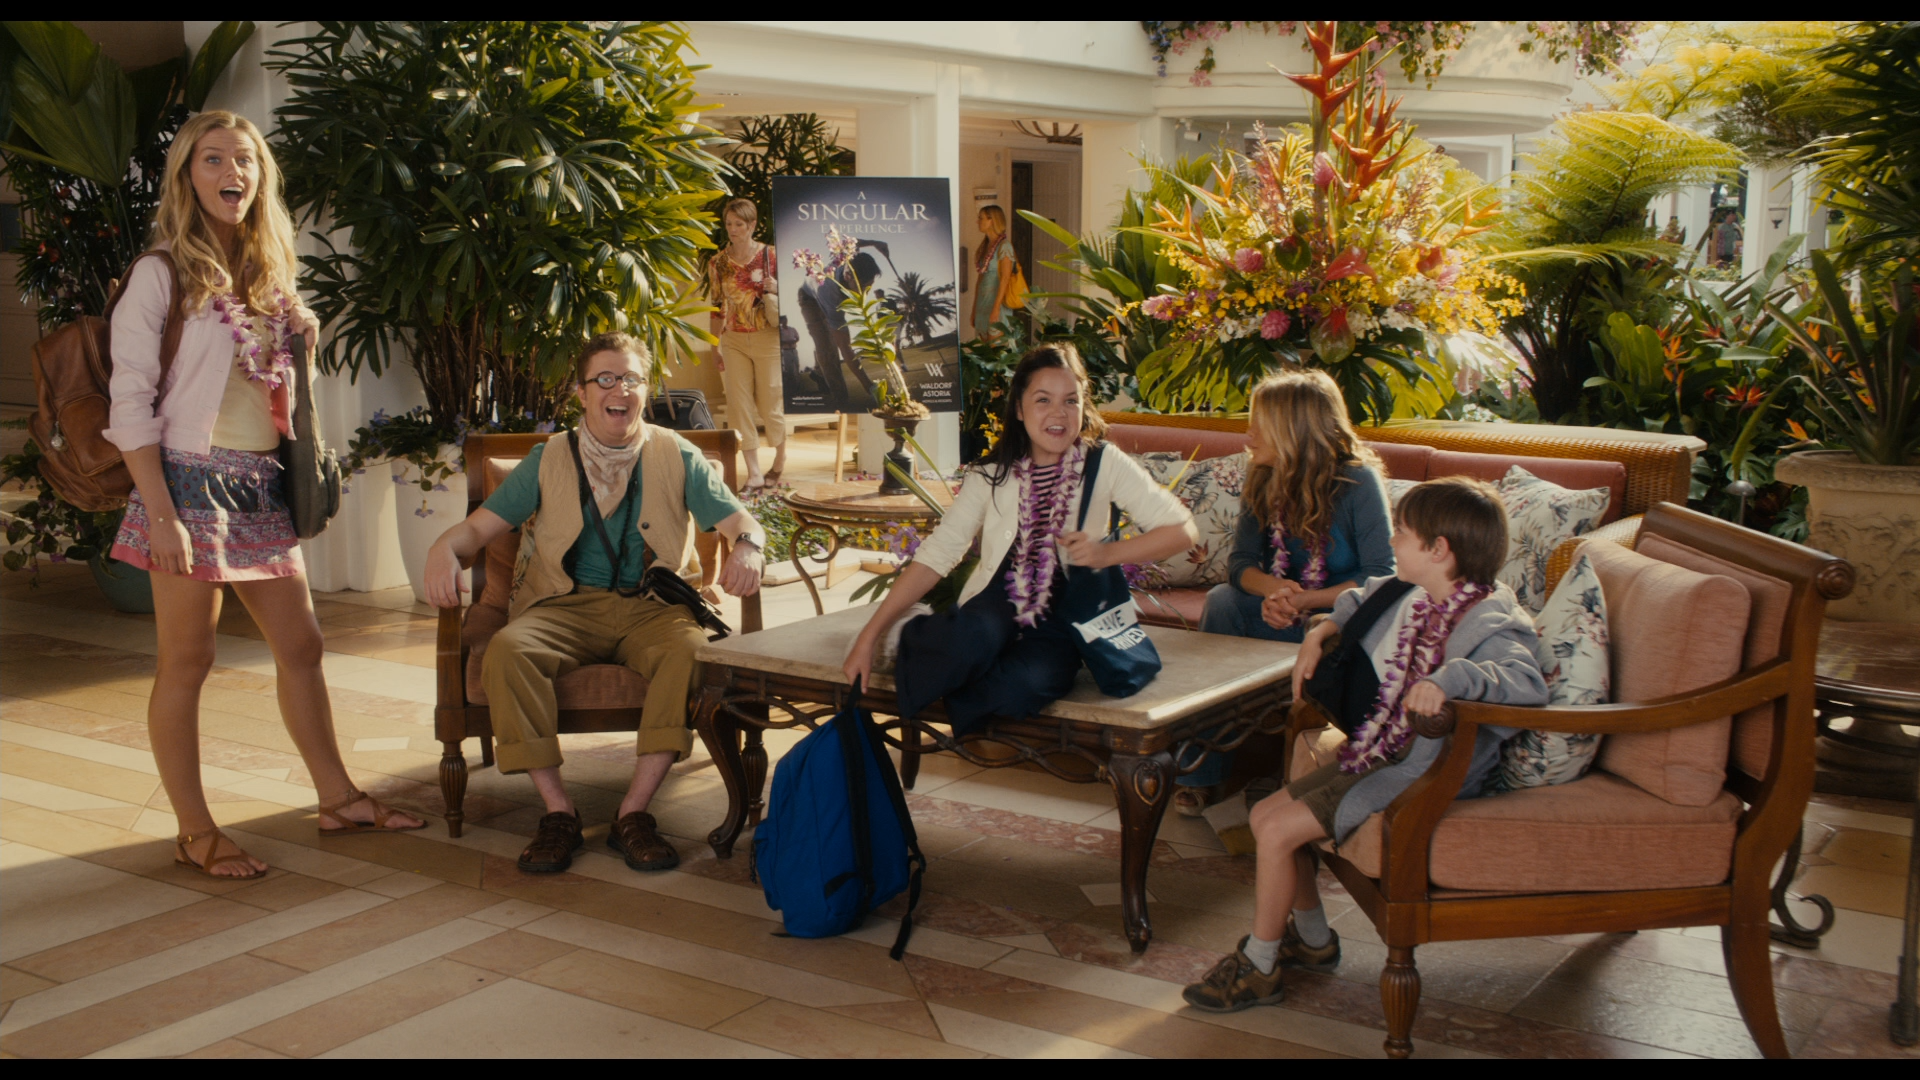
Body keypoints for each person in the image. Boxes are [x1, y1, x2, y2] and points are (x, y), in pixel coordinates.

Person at [104, 110, 425, 880]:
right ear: (188, 176)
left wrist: (300, 342)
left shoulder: (267, 274)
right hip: (185, 480)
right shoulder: (160, 274)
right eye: (213, 159)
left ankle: (338, 797)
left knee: (303, 644)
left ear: (260, 175)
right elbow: (129, 402)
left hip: (258, 483)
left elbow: (270, 393)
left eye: (244, 159)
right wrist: (160, 514)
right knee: (188, 658)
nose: (232, 173)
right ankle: (195, 830)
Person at [1181, 478, 1547, 1013]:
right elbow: (1358, 599)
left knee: (1278, 830)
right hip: (1383, 749)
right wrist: (1317, 633)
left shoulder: (1492, 618)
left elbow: (1526, 683)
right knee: (1264, 814)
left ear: (1438, 550)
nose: (1392, 542)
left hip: (1422, 770)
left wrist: (1449, 679)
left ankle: (1259, 967)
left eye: (1402, 533)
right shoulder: (1413, 595)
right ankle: (1312, 940)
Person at [422, 333, 767, 875]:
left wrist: (747, 546)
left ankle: (634, 814)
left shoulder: (677, 453)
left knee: (690, 654)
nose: (619, 389)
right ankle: (559, 812)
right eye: (605, 378)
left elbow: (741, 522)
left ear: (645, 389)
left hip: (655, 607)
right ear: (582, 393)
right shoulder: (549, 458)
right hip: (563, 606)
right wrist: (441, 550)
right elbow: (474, 531)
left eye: (631, 378)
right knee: (508, 652)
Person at [842, 344, 1197, 730]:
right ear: (1019, 409)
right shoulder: (990, 474)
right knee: (975, 639)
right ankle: (908, 637)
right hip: (997, 601)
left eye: (1071, 401)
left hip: (1064, 613)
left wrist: (1104, 554)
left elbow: (1182, 531)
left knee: (1023, 687)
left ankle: (962, 675)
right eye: (1043, 400)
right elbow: (939, 553)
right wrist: (869, 635)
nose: (1059, 413)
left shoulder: (1103, 462)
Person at [1175, 370, 1394, 816]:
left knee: (1324, 624)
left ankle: (1299, 773)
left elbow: (1381, 577)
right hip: (1280, 611)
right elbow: (1240, 564)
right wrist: (1275, 591)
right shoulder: (1262, 477)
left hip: (1337, 624)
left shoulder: (1358, 482)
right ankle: (1200, 775)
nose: (1249, 434)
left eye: (1259, 423)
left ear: (1294, 429)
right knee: (1221, 602)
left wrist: (1304, 601)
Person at [708, 199, 786, 490]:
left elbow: (797, 293)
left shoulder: (771, 255)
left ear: (752, 225)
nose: (733, 229)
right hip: (734, 339)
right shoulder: (718, 263)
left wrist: (778, 288)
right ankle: (753, 472)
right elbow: (716, 306)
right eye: (729, 224)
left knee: (771, 404)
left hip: (768, 337)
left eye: (739, 224)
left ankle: (779, 460)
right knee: (738, 405)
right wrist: (714, 345)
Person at [797, 251, 883, 412]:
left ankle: (818, 374)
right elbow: (846, 348)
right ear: (849, 277)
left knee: (830, 341)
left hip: (828, 291)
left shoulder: (849, 257)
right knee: (827, 349)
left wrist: (875, 243)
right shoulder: (831, 295)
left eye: (870, 286)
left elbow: (855, 242)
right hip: (810, 299)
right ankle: (841, 402)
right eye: (863, 287)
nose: (866, 293)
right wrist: (869, 386)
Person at [971, 205, 1018, 343]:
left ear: (992, 220)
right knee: (983, 349)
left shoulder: (1004, 246)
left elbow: (1005, 278)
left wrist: (996, 308)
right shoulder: (985, 246)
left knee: (997, 348)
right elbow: (980, 279)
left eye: (981, 218)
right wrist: (974, 309)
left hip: (997, 304)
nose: (978, 221)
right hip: (983, 304)